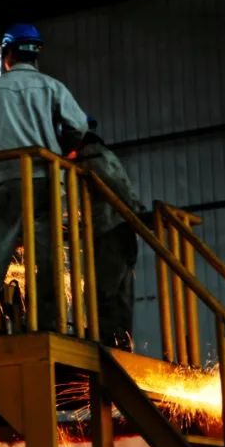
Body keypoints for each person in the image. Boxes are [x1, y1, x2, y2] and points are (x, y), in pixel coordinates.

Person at [0, 23, 88, 335]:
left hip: (9, 181)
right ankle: (48, 325)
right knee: (48, 256)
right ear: (35, 55)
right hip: (48, 181)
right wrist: (64, 151)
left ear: (9, 54)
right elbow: (79, 126)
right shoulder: (51, 87)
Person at [76, 123, 143, 350]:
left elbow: (113, 187)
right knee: (120, 293)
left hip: (110, 229)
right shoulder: (103, 154)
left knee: (103, 290)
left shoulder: (90, 155)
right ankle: (121, 342)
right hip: (122, 227)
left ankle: (108, 341)